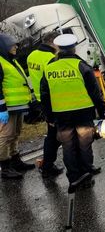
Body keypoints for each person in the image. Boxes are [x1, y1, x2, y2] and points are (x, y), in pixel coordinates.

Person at [40, 33, 105, 192]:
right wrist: (103, 111)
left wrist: (48, 116)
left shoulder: (49, 68)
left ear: (58, 48)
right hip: (83, 112)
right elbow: (94, 93)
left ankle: (74, 178)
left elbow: (44, 94)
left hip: (61, 115)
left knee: (68, 146)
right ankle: (86, 173)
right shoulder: (82, 67)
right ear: (74, 47)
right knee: (84, 145)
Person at [26, 30, 63, 178]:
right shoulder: (51, 57)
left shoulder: (32, 55)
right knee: (56, 135)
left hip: (41, 99)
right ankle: (48, 166)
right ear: (53, 42)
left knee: (53, 133)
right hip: (53, 99)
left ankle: (47, 165)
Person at [0, 33, 35, 179]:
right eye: (12, 44)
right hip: (7, 107)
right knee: (5, 136)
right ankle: (5, 167)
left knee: (15, 134)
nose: (16, 46)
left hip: (18, 105)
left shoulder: (11, 61)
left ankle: (15, 160)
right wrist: (1, 108)